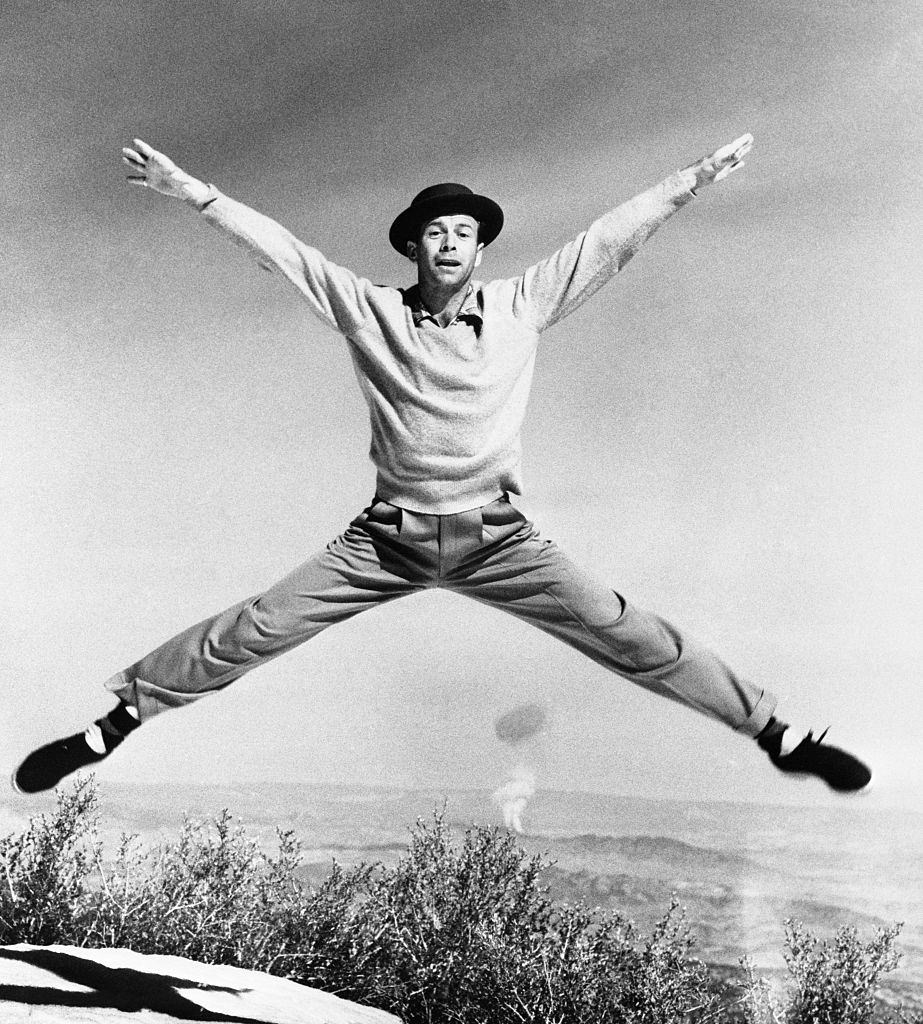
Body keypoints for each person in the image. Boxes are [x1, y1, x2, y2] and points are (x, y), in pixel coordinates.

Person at [12, 133, 872, 796]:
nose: (451, 243)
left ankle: (777, 735)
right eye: (435, 231)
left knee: (627, 632)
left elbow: (608, 238)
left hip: (502, 541)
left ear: (481, 249)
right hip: (383, 541)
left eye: (464, 232)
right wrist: (192, 193)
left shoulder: (521, 308)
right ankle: (115, 722)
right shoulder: (369, 312)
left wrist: (689, 178)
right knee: (259, 625)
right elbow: (283, 252)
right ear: (413, 249)